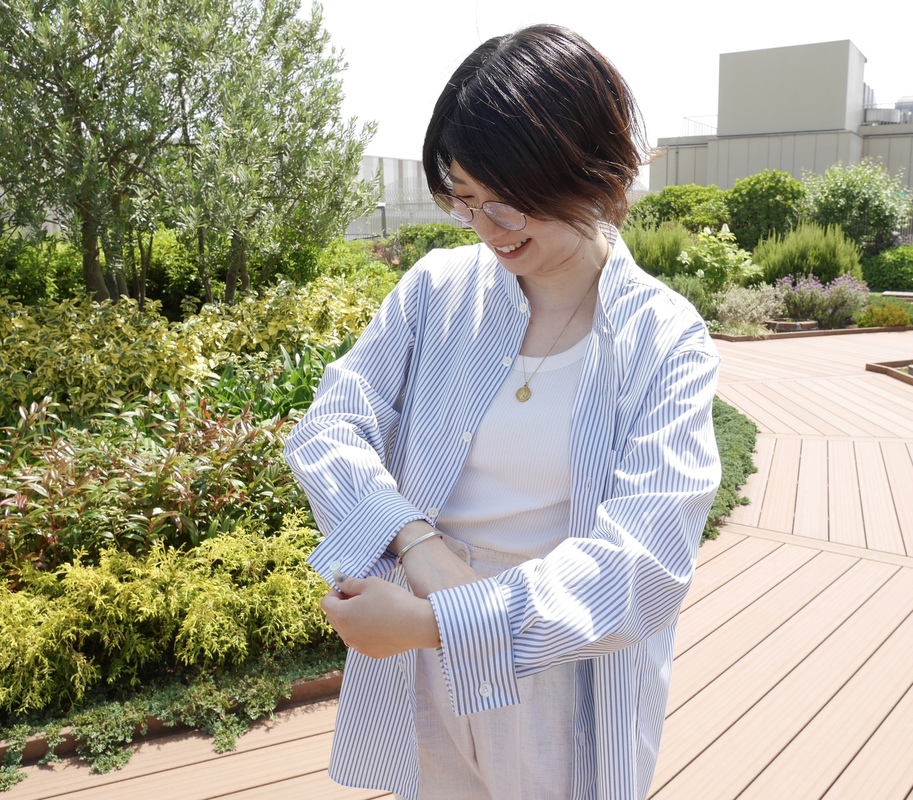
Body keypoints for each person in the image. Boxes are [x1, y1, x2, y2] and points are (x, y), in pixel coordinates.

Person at [284, 24, 721, 800]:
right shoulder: (437, 291)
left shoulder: (662, 336)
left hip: (556, 663)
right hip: (416, 639)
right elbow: (329, 427)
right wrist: (417, 543)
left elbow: (643, 564)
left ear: (593, 171)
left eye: (512, 202)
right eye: (466, 198)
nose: (489, 228)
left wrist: (440, 623)